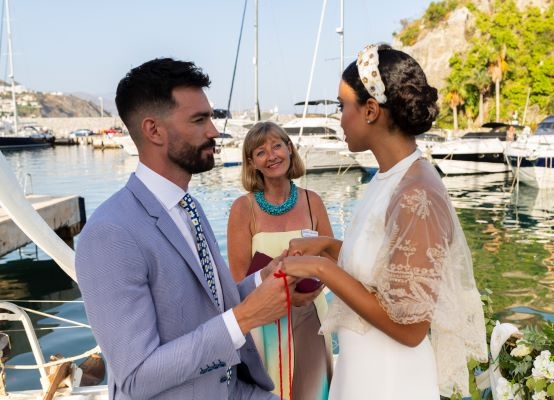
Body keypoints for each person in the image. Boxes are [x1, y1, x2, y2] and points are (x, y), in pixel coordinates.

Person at [75, 57, 303, 400]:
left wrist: (263, 279)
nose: (213, 131)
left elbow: (209, 306)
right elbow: (136, 377)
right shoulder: (109, 233)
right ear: (154, 130)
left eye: (210, 117)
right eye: (199, 120)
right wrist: (244, 319)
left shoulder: (190, 206)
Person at [281, 43, 488, 399]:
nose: (339, 117)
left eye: (343, 106)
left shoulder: (416, 192)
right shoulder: (390, 177)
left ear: (371, 110)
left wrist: (321, 267)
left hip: (390, 380)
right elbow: (392, 269)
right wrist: (330, 248)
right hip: (364, 368)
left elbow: (410, 328)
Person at [227, 121, 333, 399]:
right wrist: (286, 296)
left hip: (312, 314)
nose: (271, 155)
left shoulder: (314, 202)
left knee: (314, 391)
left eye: (277, 145)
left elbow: (331, 260)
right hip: (265, 321)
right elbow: (238, 279)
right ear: (252, 163)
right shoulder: (243, 208)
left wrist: (312, 288)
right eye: (260, 152)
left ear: (290, 149)